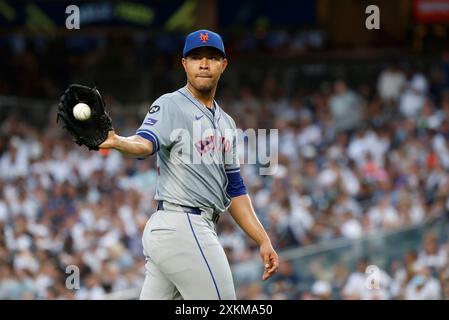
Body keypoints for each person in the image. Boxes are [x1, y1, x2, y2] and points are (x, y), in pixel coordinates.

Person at [98, 29, 279, 300]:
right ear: (184, 64)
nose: (204, 64)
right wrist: (118, 141)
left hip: (180, 230)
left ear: (223, 65)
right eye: (196, 57)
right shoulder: (172, 104)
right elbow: (145, 144)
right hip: (183, 226)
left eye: (212, 57)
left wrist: (262, 239)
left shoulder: (227, 123)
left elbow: (236, 190)